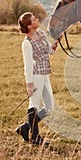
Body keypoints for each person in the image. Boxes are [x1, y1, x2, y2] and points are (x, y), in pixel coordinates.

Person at [16, 12, 58, 145]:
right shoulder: (27, 43)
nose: (37, 19)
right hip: (35, 75)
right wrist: (29, 85)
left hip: (45, 73)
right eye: (34, 19)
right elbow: (27, 66)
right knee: (33, 105)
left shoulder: (41, 34)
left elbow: (50, 51)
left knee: (49, 107)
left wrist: (56, 43)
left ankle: (25, 128)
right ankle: (35, 137)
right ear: (29, 26)